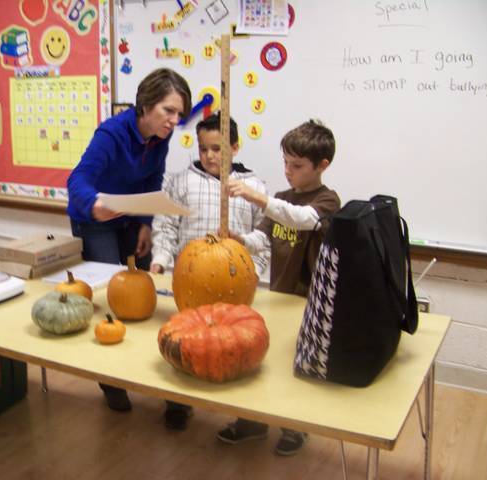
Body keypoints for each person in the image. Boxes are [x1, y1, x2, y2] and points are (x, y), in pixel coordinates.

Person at [67, 68, 192, 413]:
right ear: (146, 104)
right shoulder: (112, 134)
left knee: (142, 293)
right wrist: (95, 205)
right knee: (111, 296)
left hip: (129, 216)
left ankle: (156, 378)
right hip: (96, 219)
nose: (174, 120)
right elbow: (77, 178)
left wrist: (145, 223)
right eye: (168, 111)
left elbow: (152, 177)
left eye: (179, 114)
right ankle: (111, 381)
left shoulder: (159, 137)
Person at [218, 119, 341, 456]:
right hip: (278, 295)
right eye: (285, 162)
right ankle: (252, 423)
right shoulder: (282, 197)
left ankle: (295, 428)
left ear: (322, 165)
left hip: (309, 302)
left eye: (297, 165)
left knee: (296, 369)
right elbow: (263, 238)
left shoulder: (328, 201)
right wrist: (240, 239)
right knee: (261, 361)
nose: (288, 171)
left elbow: (301, 219)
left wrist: (258, 198)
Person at [149, 112, 270, 430]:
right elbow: (166, 226)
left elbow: (264, 239)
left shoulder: (254, 187)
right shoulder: (180, 182)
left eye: (218, 149)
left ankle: (247, 419)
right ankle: (178, 403)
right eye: (203, 149)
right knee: (186, 345)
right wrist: (161, 260)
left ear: (236, 147)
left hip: (236, 288)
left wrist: (252, 273)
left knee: (234, 349)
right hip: (190, 284)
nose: (209, 155)